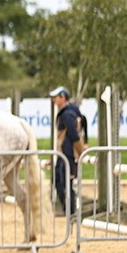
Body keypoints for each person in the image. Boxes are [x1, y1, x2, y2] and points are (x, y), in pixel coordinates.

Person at [50, 86, 83, 216]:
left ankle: (69, 209)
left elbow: (74, 135)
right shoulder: (67, 113)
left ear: (63, 97)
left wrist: (77, 151)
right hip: (64, 152)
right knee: (60, 180)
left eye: (56, 97)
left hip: (67, 153)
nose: (54, 100)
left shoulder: (67, 114)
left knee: (65, 181)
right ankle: (67, 208)